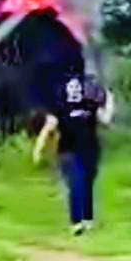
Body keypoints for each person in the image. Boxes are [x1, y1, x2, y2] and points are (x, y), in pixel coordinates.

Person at [33, 66, 111, 235]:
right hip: (68, 152)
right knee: (77, 182)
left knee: (87, 184)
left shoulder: (90, 105)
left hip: (90, 151)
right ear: (67, 91)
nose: (75, 91)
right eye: (71, 88)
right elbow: (47, 130)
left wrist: (109, 100)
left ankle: (88, 219)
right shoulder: (60, 109)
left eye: (77, 88)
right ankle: (76, 222)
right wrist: (38, 150)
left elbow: (106, 120)